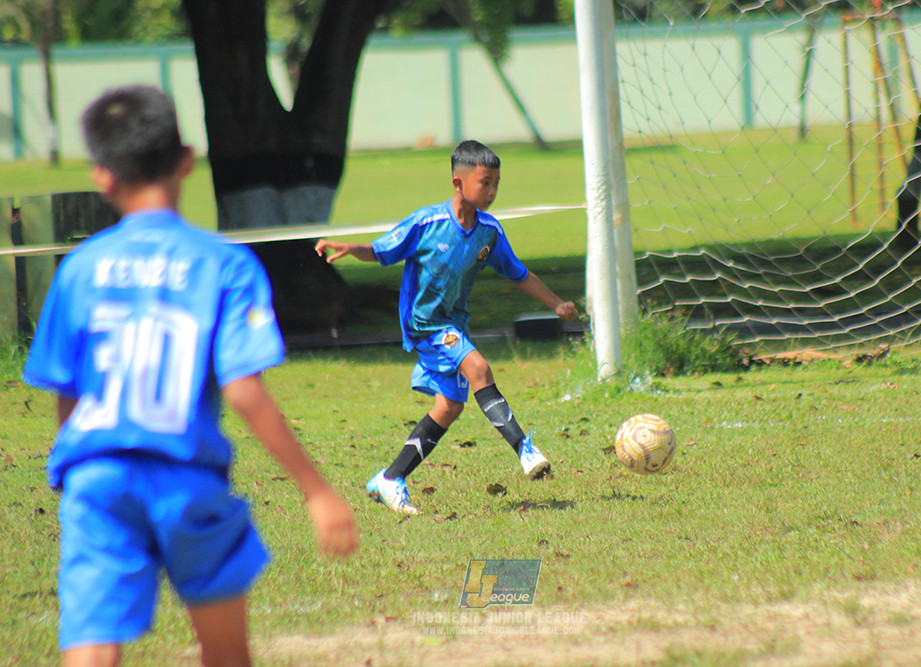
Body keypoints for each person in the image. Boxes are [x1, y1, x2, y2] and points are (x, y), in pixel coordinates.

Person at [22, 85, 359, 667]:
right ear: (186, 161)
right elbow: (243, 388)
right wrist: (316, 489)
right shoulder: (223, 264)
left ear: (102, 176)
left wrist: (72, 467)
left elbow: (66, 392)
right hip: (184, 477)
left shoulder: (79, 269)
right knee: (225, 653)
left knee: (91, 648)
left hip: (97, 476)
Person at [314, 140, 579, 515]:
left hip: (454, 325)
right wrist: (350, 248)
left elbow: (518, 273)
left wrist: (556, 303)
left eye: (496, 184)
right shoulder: (427, 223)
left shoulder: (489, 231)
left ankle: (390, 478)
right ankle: (525, 449)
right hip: (426, 325)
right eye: (485, 183)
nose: (492, 191)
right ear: (458, 183)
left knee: (449, 407)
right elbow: (382, 250)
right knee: (478, 368)